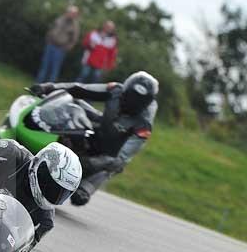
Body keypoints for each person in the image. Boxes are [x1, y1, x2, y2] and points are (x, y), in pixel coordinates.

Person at [30, 71, 159, 205]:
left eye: (138, 101)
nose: (132, 103)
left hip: (107, 154)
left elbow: (122, 158)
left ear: (146, 103)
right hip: (100, 129)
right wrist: (49, 87)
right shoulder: (115, 89)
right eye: (130, 97)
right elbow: (79, 89)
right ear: (125, 90)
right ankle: (38, 142)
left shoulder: (144, 124)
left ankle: (85, 188)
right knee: (73, 104)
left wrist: (87, 163)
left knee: (115, 165)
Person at [35, 5, 80, 83]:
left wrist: (66, 48)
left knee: (54, 69)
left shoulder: (75, 26)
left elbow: (74, 40)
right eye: (69, 12)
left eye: (73, 13)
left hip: (60, 49)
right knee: (44, 66)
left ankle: (49, 89)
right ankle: (37, 85)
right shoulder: (60, 19)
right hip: (50, 45)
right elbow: (52, 28)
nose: (70, 14)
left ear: (75, 15)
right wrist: (48, 38)